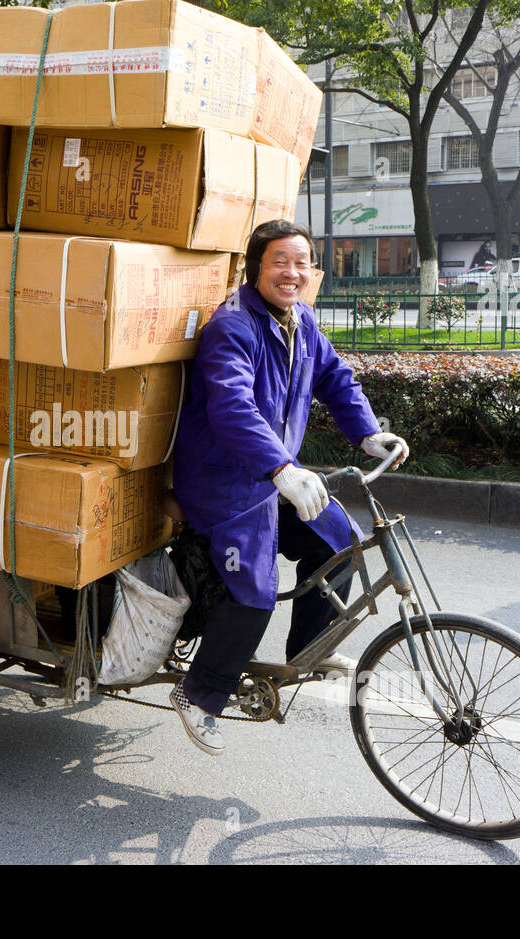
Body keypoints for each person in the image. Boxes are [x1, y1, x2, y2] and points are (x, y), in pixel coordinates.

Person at [167, 219, 408, 756]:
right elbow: (233, 408)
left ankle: (310, 649)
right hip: (224, 482)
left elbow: (335, 377)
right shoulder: (233, 327)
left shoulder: (300, 320)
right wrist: (282, 469)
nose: (292, 272)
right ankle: (200, 695)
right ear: (255, 268)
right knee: (253, 586)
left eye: (301, 262)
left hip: (274, 473)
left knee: (341, 540)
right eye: (280, 261)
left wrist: (368, 433)